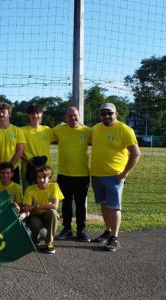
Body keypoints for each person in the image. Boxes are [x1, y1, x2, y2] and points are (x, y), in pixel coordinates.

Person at [91, 103, 140, 251]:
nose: (106, 116)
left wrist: (124, 173)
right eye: (103, 113)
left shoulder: (124, 129)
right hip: (96, 175)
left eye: (109, 113)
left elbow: (136, 153)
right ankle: (107, 231)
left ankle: (115, 237)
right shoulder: (95, 129)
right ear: (100, 115)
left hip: (114, 176)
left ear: (116, 114)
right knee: (104, 204)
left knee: (114, 207)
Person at [53, 107, 92, 242]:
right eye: (70, 116)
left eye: (75, 115)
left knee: (81, 204)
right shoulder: (59, 129)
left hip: (82, 175)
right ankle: (67, 229)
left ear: (79, 116)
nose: (72, 118)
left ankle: (81, 230)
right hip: (64, 174)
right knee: (66, 203)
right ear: (66, 117)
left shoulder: (87, 131)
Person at [23, 165, 63, 254]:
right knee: (34, 222)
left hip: (48, 215)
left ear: (50, 177)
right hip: (35, 216)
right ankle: (35, 235)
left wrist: (36, 206)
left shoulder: (54, 186)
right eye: (39, 177)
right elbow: (26, 208)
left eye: (44, 177)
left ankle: (49, 242)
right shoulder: (30, 189)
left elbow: (54, 206)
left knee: (53, 213)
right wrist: (34, 208)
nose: (41, 180)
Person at [0, 102, 26, 183]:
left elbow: (20, 151)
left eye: (3, 112)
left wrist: (10, 166)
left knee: (14, 193)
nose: (1, 114)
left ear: (9, 113)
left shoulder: (18, 130)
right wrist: (3, 166)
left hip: (14, 169)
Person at [20, 104, 54, 188]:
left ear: (41, 114)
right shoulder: (21, 131)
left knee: (45, 199)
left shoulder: (47, 130)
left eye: (37, 113)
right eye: (32, 113)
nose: (35, 116)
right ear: (28, 115)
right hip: (29, 170)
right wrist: (30, 162)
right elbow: (17, 151)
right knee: (28, 199)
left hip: (46, 171)